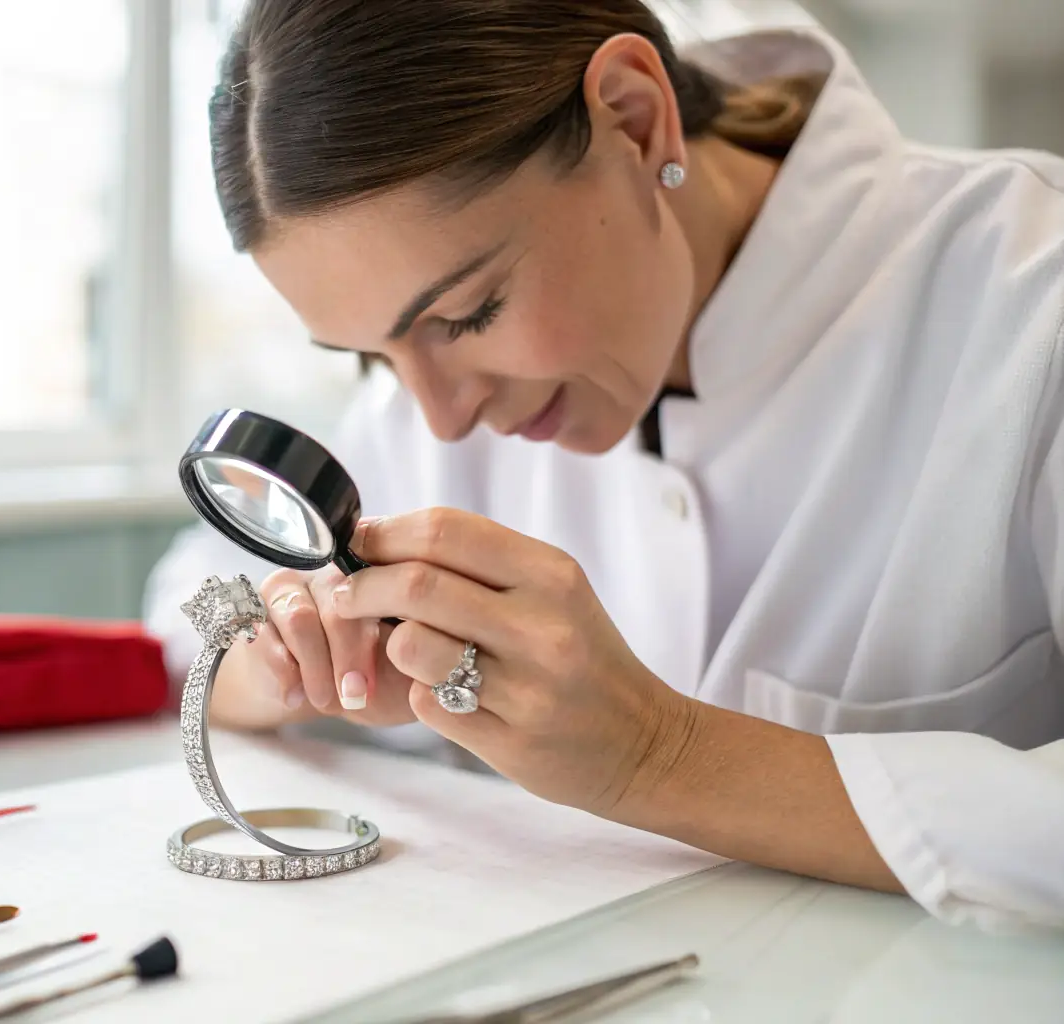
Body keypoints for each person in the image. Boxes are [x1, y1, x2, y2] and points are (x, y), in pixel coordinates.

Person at [146, 0, 1064, 931]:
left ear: (632, 119)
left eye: (467, 313)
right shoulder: (419, 404)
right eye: (371, 356)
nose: (442, 418)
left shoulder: (1035, 293)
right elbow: (183, 607)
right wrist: (296, 665)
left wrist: (657, 755)